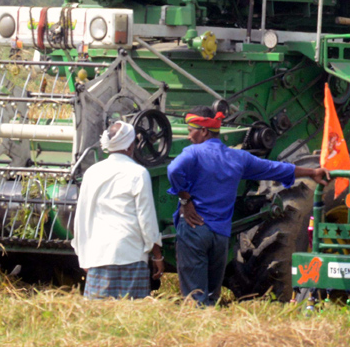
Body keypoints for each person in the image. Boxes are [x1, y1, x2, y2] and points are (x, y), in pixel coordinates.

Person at [167, 107, 330, 306]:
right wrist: (312, 173)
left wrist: (185, 200)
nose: (188, 135)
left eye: (191, 130)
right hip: (220, 236)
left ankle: (197, 330)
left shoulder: (193, 153)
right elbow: (275, 169)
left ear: (203, 131)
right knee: (211, 296)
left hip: (194, 230)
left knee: (195, 297)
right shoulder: (238, 157)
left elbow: (173, 169)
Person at [71, 120, 164, 300]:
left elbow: (81, 217)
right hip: (131, 254)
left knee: (98, 318)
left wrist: (83, 256)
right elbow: (147, 220)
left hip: (99, 255)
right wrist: (157, 256)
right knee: (130, 317)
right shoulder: (138, 173)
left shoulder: (92, 172)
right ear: (131, 146)